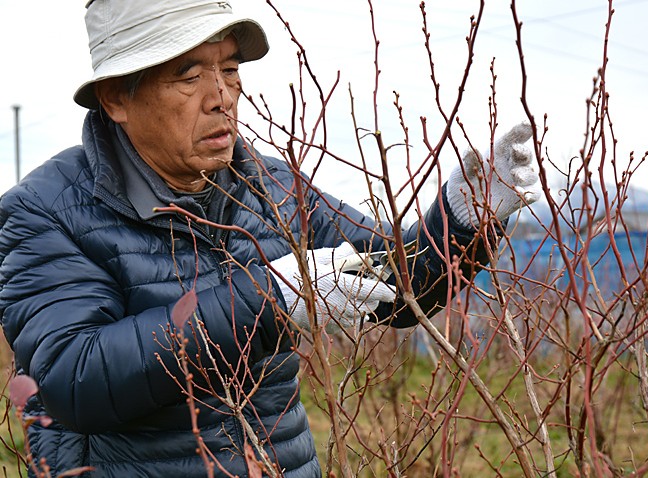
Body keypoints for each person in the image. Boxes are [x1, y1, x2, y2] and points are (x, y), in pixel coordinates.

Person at [0, 0, 540, 476]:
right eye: (189, 76)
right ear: (117, 97)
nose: (222, 97)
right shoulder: (45, 212)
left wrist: (464, 221)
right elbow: (75, 379)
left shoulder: (272, 187)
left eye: (230, 70)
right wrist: (271, 299)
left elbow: (395, 288)